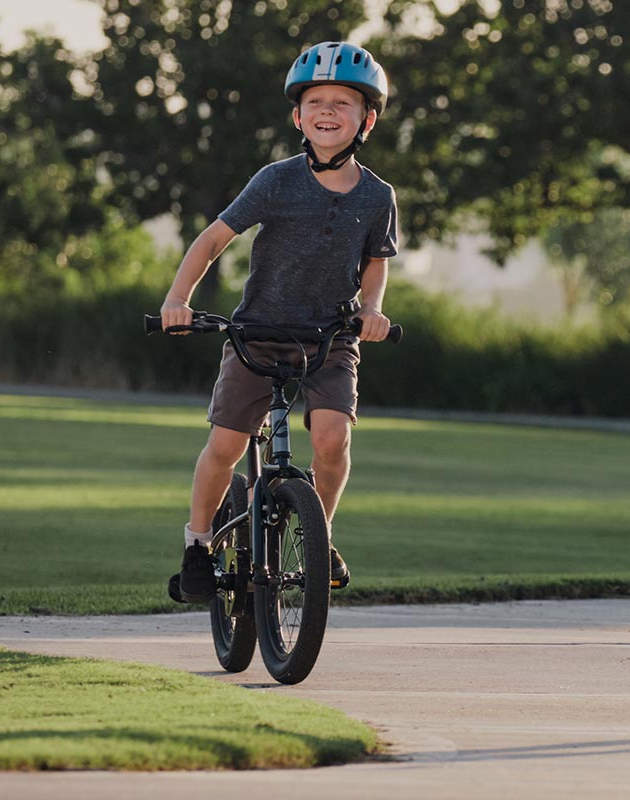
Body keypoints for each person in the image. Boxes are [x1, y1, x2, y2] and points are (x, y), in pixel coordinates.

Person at [161, 41, 398, 603]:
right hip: (258, 332)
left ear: (366, 119)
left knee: (333, 437)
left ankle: (321, 537)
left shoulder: (378, 195)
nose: (328, 110)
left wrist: (371, 311)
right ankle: (197, 542)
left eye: (343, 102)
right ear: (297, 115)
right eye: (316, 100)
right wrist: (178, 298)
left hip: (330, 337)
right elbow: (214, 240)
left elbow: (375, 266)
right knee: (224, 444)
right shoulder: (275, 180)